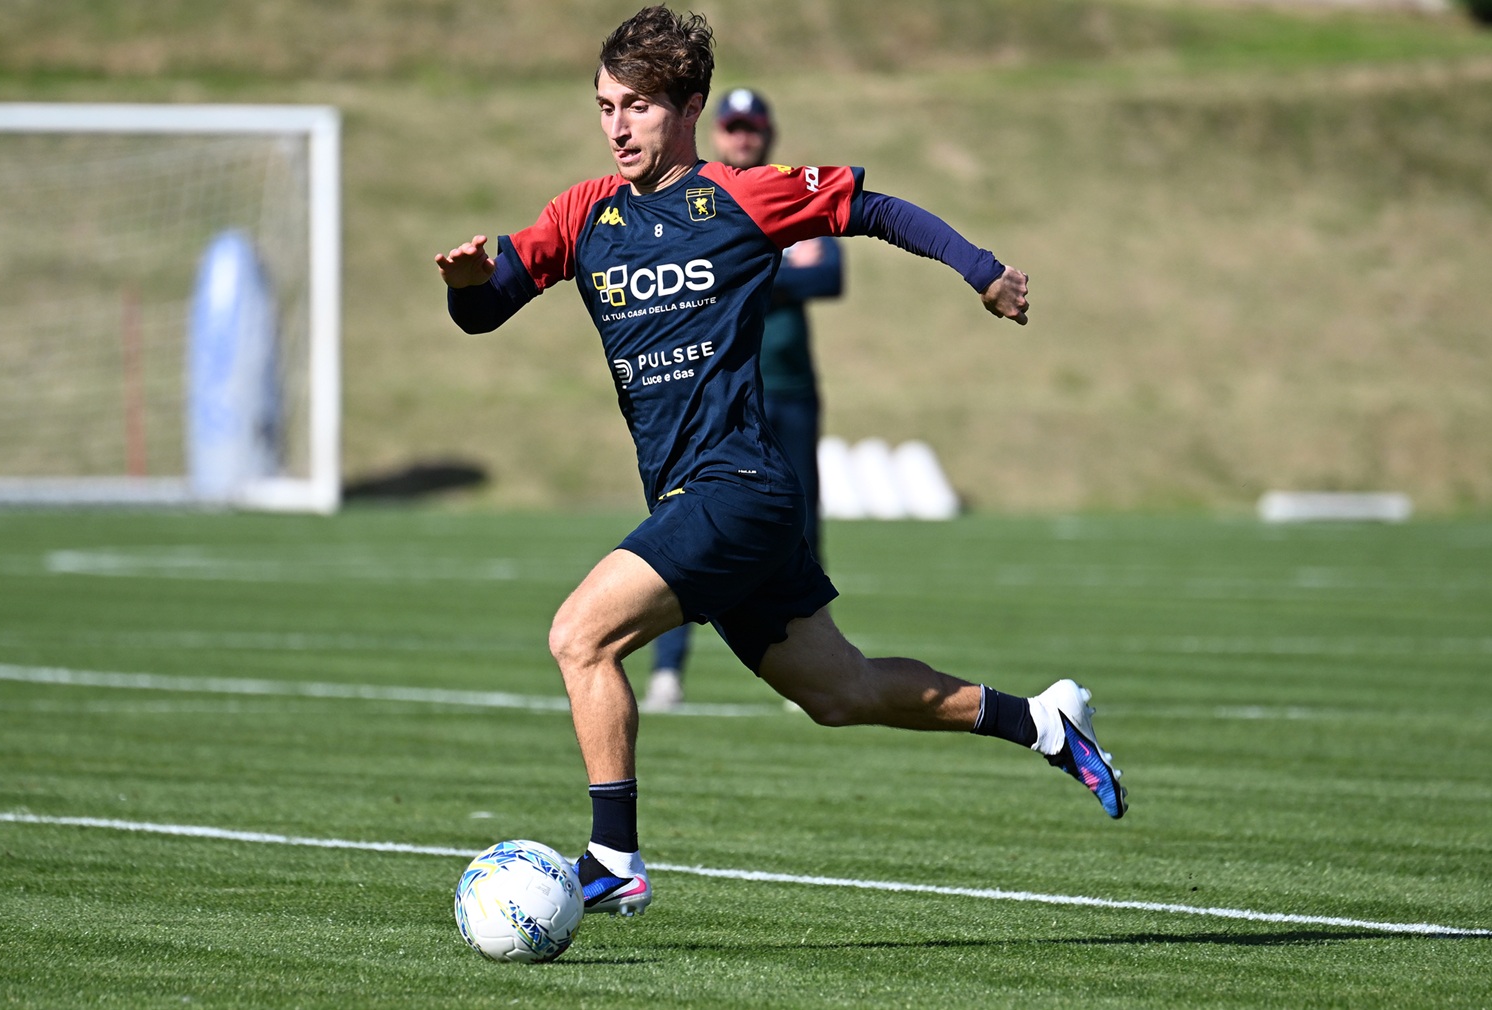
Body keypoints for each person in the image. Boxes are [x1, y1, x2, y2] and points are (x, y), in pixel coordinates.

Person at [435, 5, 1126, 918]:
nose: (617, 126)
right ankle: (1042, 720)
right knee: (839, 692)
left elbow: (873, 208)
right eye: (605, 106)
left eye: (637, 106)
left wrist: (984, 271)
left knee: (579, 636)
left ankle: (612, 857)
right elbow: (486, 310)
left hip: (739, 489)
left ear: (688, 107)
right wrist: (467, 287)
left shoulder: (741, 196)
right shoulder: (582, 215)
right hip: (698, 498)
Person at [642, 86, 842, 713]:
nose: (744, 136)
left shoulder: (789, 194)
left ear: (768, 132)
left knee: (803, 524)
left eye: (753, 126)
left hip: (792, 388)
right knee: (685, 525)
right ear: (714, 130)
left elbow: (830, 274)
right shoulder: (698, 199)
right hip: (721, 395)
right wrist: (772, 268)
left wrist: (748, 270)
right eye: (734, 126)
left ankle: (813, 667)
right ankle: (668, 670)